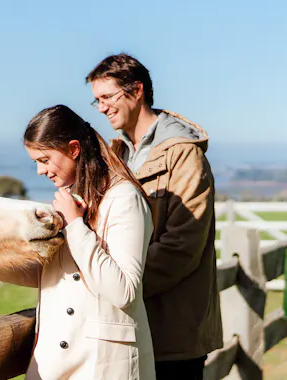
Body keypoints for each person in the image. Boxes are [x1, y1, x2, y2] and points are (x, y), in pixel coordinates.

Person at [0, 104, 156, 379]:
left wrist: (76, 225)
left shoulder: (125, 199)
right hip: (57, 362)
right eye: (36, 163)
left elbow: (123, 291)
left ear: (74, 149)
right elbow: (58, 273)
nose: (40, 171)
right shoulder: (71, 198)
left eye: (44, 159)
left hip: (105, 365)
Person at [85, 53, 223, 379]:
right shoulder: (115, 156)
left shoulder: (183, 153)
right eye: (96, 101)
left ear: (137, 90)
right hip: (129, 328)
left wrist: (119, 289)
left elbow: (182, 245)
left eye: (107, 97)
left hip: (172, 330)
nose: (102, 107)